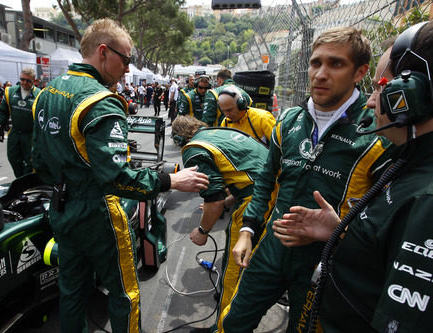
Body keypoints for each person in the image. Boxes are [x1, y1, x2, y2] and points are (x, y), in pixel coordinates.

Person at [31, 18, 209, 333]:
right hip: (98, 212)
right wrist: (170, 181)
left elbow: (38, 161)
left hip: (60, 207)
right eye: (125, 60)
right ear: (103, 51)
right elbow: (116, 179)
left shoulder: (46, 93)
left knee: (71, 289)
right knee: (125, 292)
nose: (128, 69)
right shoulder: (101, 101)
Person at [220, 27, 394, 333]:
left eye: (336, 64)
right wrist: (248, 230)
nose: (321, 74)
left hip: (325, 263)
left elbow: (385, 220)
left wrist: (339, 231)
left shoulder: (377, 133)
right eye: (316, 63)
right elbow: (265, 180)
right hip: (272, 249)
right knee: (232, 323)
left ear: (360, 72)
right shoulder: (288, 121)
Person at [273, 21, 433, 333]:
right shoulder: (410, 165)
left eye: (379, 87)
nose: (371, 101)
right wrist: (343, 231)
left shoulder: (425, 198)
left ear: (414, 93)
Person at [172, 115, 270, 333]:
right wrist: (227, 200)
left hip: (258, 201)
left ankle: (224, 327)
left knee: (234, 267)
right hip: (275, 194)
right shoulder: (220, 133)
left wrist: (202, 230)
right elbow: (245, 176)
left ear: (179, 138)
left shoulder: (194, 148)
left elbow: (214, 201)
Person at [0, 67, 40, 178]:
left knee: (30, 162)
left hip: (30, 134)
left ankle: (26, 185)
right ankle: (19, 180)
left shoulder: (40, 94)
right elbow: (3, 111)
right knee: (13, 158)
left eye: (28, 80)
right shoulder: (10, 91)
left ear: (34, 81)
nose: (24, 82)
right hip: (15, 132)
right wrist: (0, 128)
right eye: (22, 79)